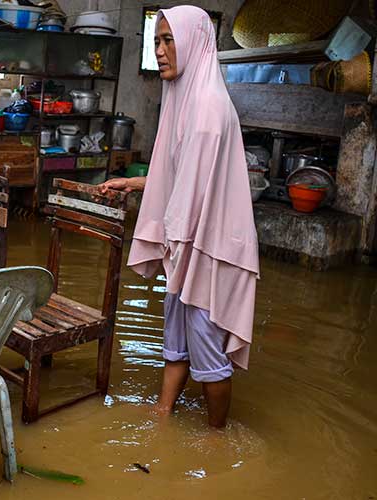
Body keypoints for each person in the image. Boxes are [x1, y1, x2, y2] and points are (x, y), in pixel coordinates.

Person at [100, 5, 259, 428]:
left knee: (207, 347)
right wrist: (132, 184)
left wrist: (171, 242)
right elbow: (177, 172)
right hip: (187, 240)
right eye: (156, 41)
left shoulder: (208, 109)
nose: (161, 51)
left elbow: (190, 191)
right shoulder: (185, 97)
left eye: (169, 40)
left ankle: (216, 438)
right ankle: (163, 414)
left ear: (194, 42)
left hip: (206, 248)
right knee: (177, 338)